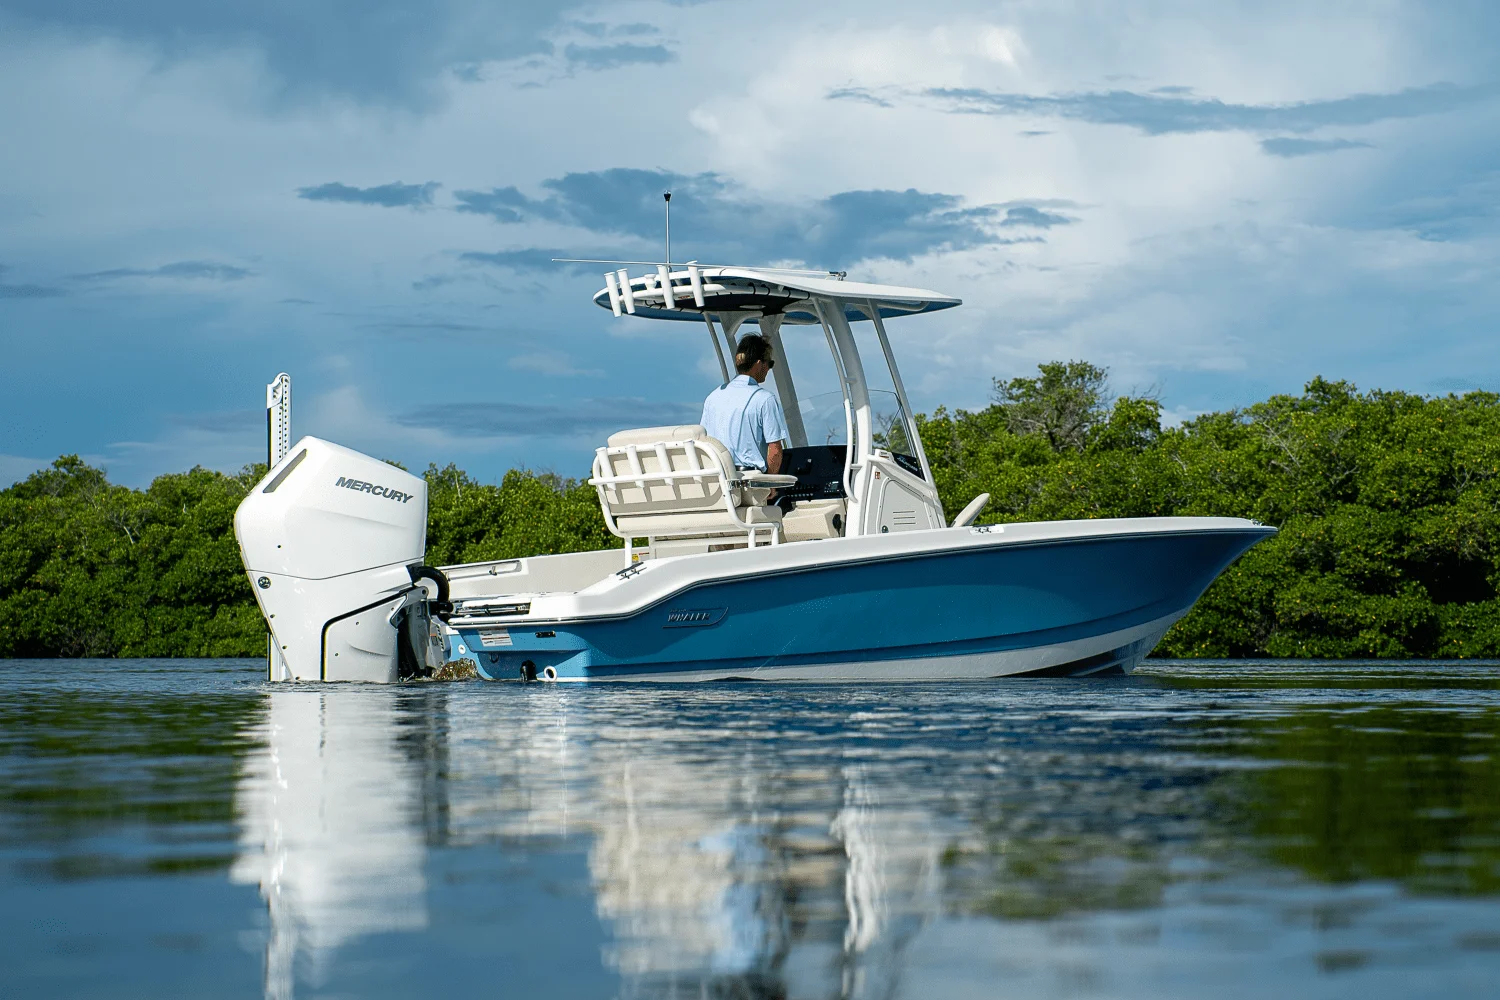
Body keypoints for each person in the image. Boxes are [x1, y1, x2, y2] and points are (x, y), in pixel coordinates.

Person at [700, 333, 789, 474]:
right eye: (769, 364)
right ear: (759, 364)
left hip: (717, 478)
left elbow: (703, 440)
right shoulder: (765, 399)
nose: (768, 370)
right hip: (749, 479)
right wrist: (771, 483)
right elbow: (775, 450)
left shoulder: (713, 397)